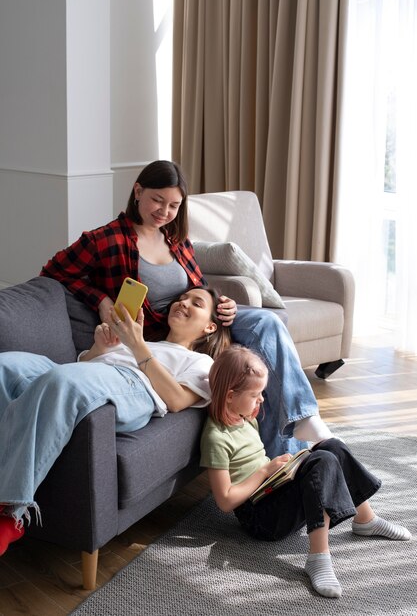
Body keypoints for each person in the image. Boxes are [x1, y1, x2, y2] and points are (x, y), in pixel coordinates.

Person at [41, 159, 333, 458]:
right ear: (138, 191)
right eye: (157, 200)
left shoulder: (176, 240)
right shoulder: (105, 240)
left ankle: (300, 425)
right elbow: (53, 272)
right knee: (261, 335)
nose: (164, 212)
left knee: (266, 324)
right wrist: (100, 299)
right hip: (164, 329)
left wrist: (222, 304)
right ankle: (291, 450)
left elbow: (199, 287)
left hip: (197, 317)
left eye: (174, 205)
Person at [0, 286, 230, 557]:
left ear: (210, 327)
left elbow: (177, 400)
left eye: (196, 303)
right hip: (81, 375)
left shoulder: (201, 361)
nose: (183, 303)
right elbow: (82, 367)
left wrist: (136, 345)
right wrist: (100, 348)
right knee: (7, 365)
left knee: (61, 383)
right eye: (181, 298)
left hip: (134, 387)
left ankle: (8, 511)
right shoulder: (144, 341)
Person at [200, 345, 411, 599]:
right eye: (256, 394)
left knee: (331, 446)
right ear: (231, 396)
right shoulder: (215, 437)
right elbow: (224, 500)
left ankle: (365, 520)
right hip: (259, 518)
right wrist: (266, 471)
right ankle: (318, 558)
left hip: (273, 492)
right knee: (320, 462)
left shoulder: (245, 418)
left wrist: (283, 469)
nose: (262, 399)